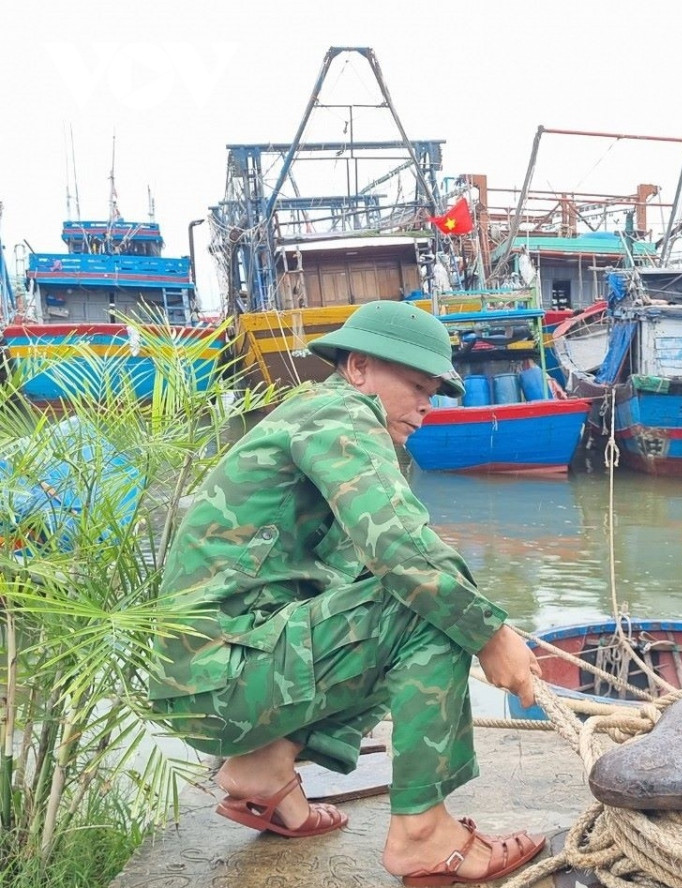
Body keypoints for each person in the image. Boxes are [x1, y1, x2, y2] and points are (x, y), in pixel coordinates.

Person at [148, 300, 547, 885]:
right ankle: (422, 836)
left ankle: (264, 768)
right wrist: (491, 635)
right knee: (427, 607)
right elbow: (403, 552)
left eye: (433, 391)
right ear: (358, 366)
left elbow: (364, 566)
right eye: (416, 386)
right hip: (221, 676)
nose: (426, 406)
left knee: (400, 594)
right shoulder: (340, 413)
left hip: (209, 679)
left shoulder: (313, 416)